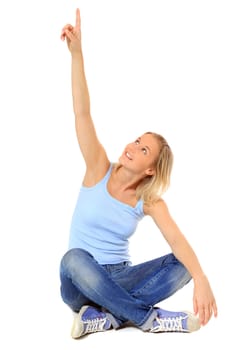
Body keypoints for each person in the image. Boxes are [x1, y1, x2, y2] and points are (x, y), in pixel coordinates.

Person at [59, 8, 218, 339]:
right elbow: (82, 113)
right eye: (136, 140)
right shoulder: (98, 167)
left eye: (143, 149)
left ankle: (106, 318)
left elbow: (177, 240)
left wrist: (201, 278)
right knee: (73, 258)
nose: (132, 146)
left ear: (150, 169)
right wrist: (77, 54)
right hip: (79, 282)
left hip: (120, 277)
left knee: (184, 265)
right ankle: (148, 319)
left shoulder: (150, 200)